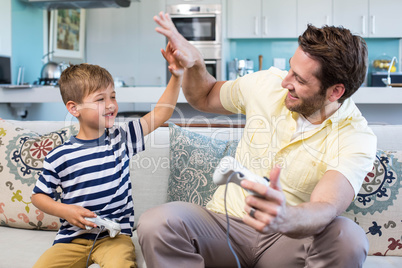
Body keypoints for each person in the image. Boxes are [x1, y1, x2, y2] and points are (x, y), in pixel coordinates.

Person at [136, 12, 377, 268]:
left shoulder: (355, 135)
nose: (286, 82)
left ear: (335, 91)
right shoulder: (267, 84)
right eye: (290, 70)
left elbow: (326, 205)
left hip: (287, 239)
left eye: (300, 79)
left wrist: (285, 217)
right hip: (223, 227)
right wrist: (195, 63)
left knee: (348, 236)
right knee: (156, 222)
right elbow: (204, 95)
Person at [31, 43, 183, 268]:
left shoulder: (121, 138)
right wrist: (65, 210)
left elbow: (161, 112)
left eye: (113, 96)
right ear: (74, 109)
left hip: (114, 238)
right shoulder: (59, 156)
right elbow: (38, 196)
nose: (111, 104)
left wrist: (176, 75)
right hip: (71, 240)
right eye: (100, 99)